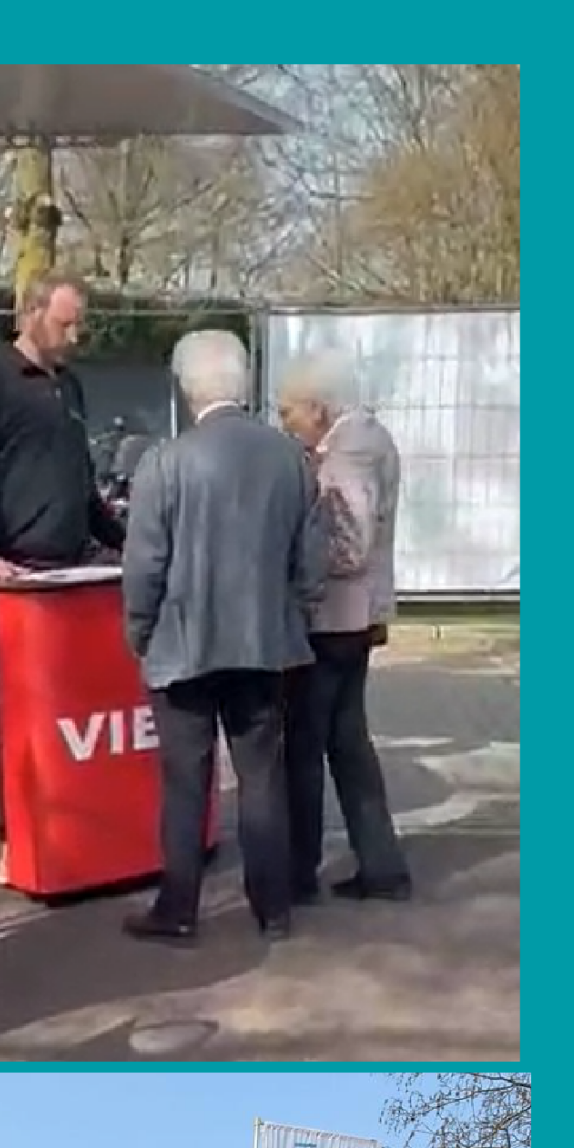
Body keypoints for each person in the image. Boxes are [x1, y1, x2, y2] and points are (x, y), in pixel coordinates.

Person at [120, 329, 325, 944]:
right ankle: (274, 908)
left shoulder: (165, 462)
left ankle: (179, 908)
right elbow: (312, 563)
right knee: (261, 777)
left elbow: (144, 565)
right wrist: (292, 615)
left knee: (187, 781)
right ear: (244, 383)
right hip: (264, 645)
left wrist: (140, 631)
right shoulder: (291, 458)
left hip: (183, 645)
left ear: (187, 389)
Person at [277, 353, 412, 904]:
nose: (286, 424)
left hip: (333, 618)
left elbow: (350, 545)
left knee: (305, 746)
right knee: (348, 741)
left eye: (288, 412)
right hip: (359, 618)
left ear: (318, 407)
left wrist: (292, 560)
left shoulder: (346, 452)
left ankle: (298, 870)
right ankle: (381, 866)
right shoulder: (373, 437)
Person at [0, 276, 125, 582]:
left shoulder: (69, 385)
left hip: (77, 566)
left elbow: (82, 487)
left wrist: (125, 543)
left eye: (78, 326)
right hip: (18, 570)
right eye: (63, 325)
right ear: (32, 313)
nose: (73, 338)